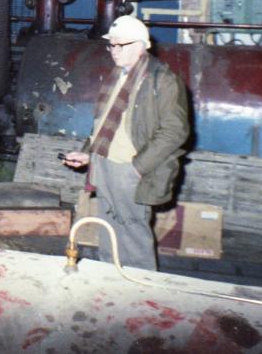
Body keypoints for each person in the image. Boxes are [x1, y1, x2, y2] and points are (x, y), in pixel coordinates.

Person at [62, 15, 189, 270]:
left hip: (130, 170)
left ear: (141, 45)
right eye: (112, 45)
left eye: (122, 45)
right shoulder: (116, 76)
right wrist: (89, 153)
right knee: (108, 229)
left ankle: (141, 291)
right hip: (105, 164)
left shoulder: (161, 80)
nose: (114, 51)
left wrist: (138, 167)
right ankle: (111, 280)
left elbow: (176, 131)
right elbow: (105, 123)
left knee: (133, 234)